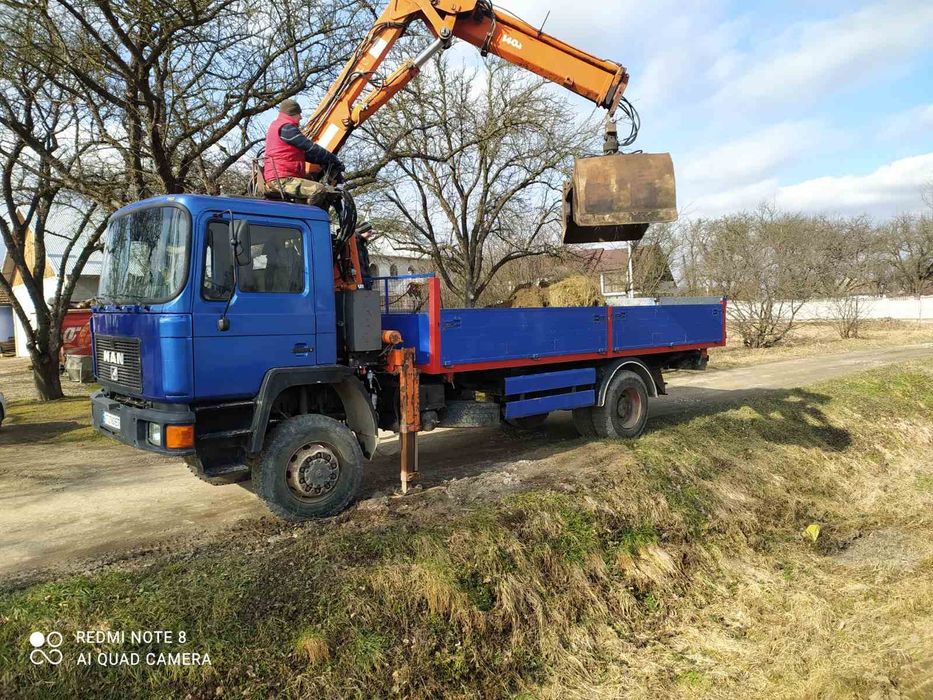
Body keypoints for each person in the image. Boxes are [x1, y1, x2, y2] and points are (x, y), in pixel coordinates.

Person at [264, 99, 345, 205]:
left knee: (312, 181)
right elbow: (310, 147)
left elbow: (304, 154)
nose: (301, 117)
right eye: (299, 114)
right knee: (319, 190)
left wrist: (322, 161)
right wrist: (332, 158)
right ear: (292, 113)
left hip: (282, 176)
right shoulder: (286, 128)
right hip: (282, 180)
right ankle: (310, 219)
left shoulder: (278, 126)